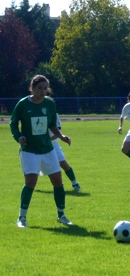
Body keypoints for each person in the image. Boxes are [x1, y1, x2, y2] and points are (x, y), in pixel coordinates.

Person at [9, 75, 73, 228]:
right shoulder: (23, 104)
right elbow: (13, 123)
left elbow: (52, 125)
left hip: (47, 149)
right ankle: (22, 218)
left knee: (58, 181)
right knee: (30, 182)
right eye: (39, 88)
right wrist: (19, 137)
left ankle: (61, 215)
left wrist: (61, 136)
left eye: (45, 88)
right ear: (32, 88)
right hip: (29, 150)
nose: (43, 91)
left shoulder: (50, 104)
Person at [43, 113, 81, 191]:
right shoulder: (36, 113)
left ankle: (75, 183)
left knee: (63, 164)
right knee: (35, 166)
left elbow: (58, 133)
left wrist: (47, 140)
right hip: (39, 144)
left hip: (53, 144)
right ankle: (29, 185)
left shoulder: (54, 115)